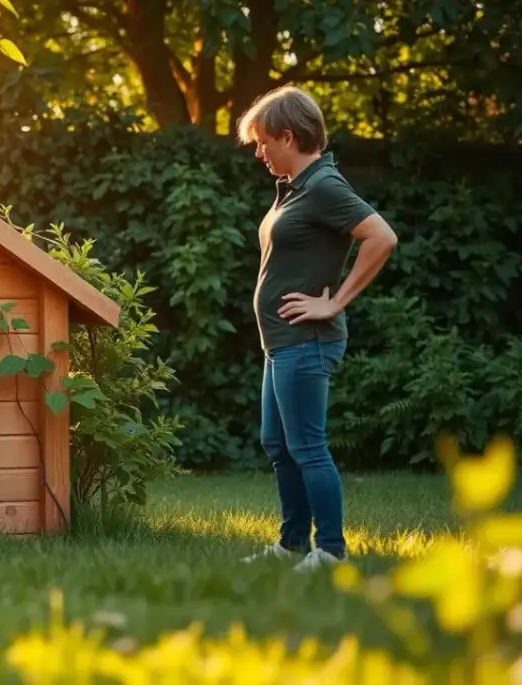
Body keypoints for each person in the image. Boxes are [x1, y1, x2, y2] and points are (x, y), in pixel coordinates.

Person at [235, 84, 398, 572]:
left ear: (289, 136)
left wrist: (334, 303)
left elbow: (381, 237)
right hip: (281, 342)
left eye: (264, 142)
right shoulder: (296, 187)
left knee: (307, 445)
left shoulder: (324, 185)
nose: (259, 152)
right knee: (278, 444)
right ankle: (292, 544)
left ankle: (330, 551)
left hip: (308, 342)